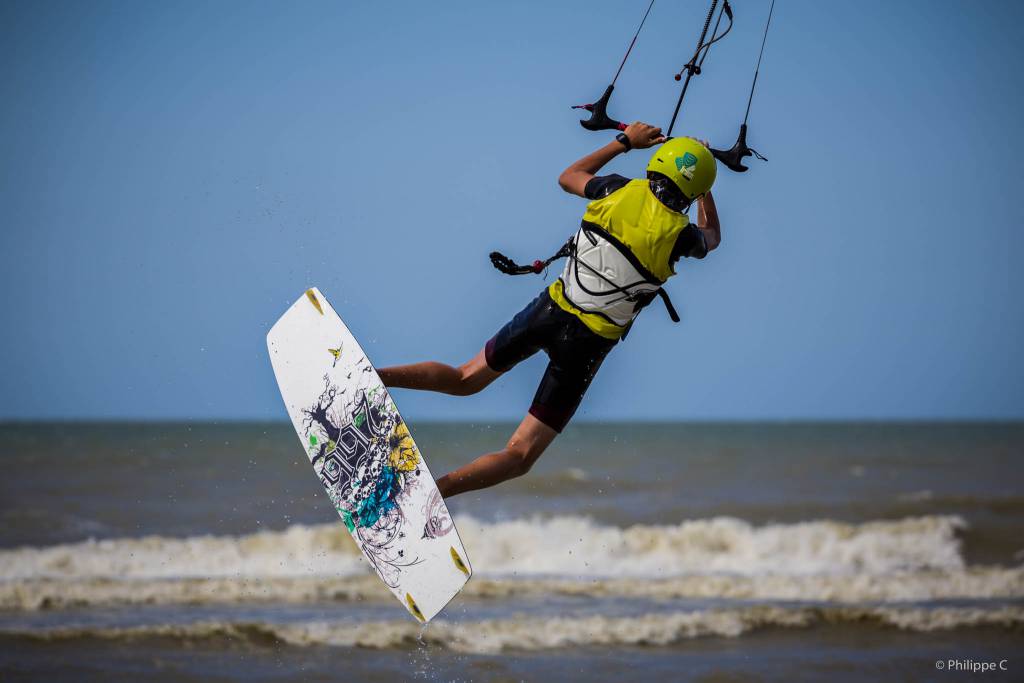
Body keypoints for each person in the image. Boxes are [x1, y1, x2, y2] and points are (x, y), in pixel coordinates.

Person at [378, 122, 721, 498]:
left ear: (655, 165)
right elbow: (712, 237)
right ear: (694, 190)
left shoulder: (616, 187)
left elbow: (568, 176)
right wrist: (706, 192)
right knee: (520, 455)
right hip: (586, 348)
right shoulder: (682, 237)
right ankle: (429, 495)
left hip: (550, 311)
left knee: (465, 379)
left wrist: (625, 142)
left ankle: (374, 376)